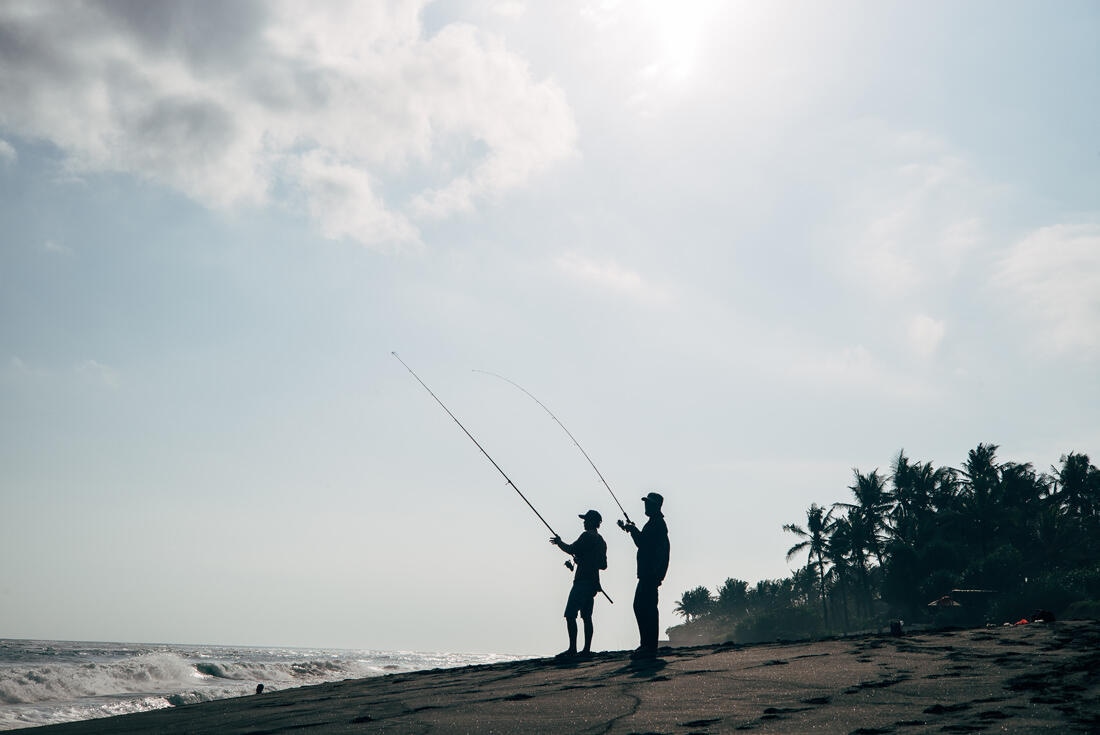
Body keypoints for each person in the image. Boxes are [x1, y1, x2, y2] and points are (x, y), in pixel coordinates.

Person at [618, 492, 669, 658]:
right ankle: (647, 644)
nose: (646, 506)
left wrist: (632, 530)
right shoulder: (654, 524)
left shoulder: (657, 524)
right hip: (649, 573)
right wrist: (631, 529)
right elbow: (644, 541)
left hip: (650, 574)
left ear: (656, 506)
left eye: (649, 503)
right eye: (646, 503)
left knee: (643, 607)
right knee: (644, 607)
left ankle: (648, 645)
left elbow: (642, 543)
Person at [550, 509, 607, 658]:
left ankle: (572, 649)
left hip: (582, 581)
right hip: (594, 583)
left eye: (586, 520)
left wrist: (558, 542)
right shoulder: (601, 541)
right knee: (587, 617)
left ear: (592, 522)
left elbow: (571, 549)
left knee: (570, 614)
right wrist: (584, 559)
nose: (584, 522)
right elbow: (603, 564)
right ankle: (586, 649)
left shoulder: (586, 536)